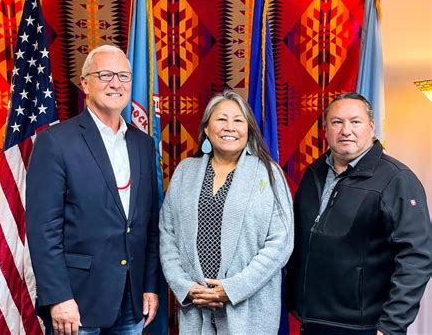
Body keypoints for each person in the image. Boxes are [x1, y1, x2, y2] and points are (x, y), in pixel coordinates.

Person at [26, 44, 160, 335]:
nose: (116, 83)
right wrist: (58, 296)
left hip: (131, 299)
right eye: (106, 74)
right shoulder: (56, 142)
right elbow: (43, 229)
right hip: (75, 301)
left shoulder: (143, 145)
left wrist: (150, 285)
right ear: (85, 83)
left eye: (124, 76)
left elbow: (149, 224)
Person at [286, 92, 432, 335]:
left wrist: (391, 326)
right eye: (336, 122)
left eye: (355, 122)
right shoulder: (314, 173)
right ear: (326, 129)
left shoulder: (397, 179)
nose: (346, 130)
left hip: (366, 327)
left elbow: (417, 257)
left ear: (371, 127)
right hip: (311, 321)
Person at [159, 89, 294, 334]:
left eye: (238, 120)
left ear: (249, 130)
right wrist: (185, 287)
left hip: (249, 311)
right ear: (207, 129)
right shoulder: (184, 172)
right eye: (221, 119)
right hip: (195, 308)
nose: (229, 127)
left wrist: (232, 288)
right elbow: (167, 235)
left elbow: (280, 244)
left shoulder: (269, 174)